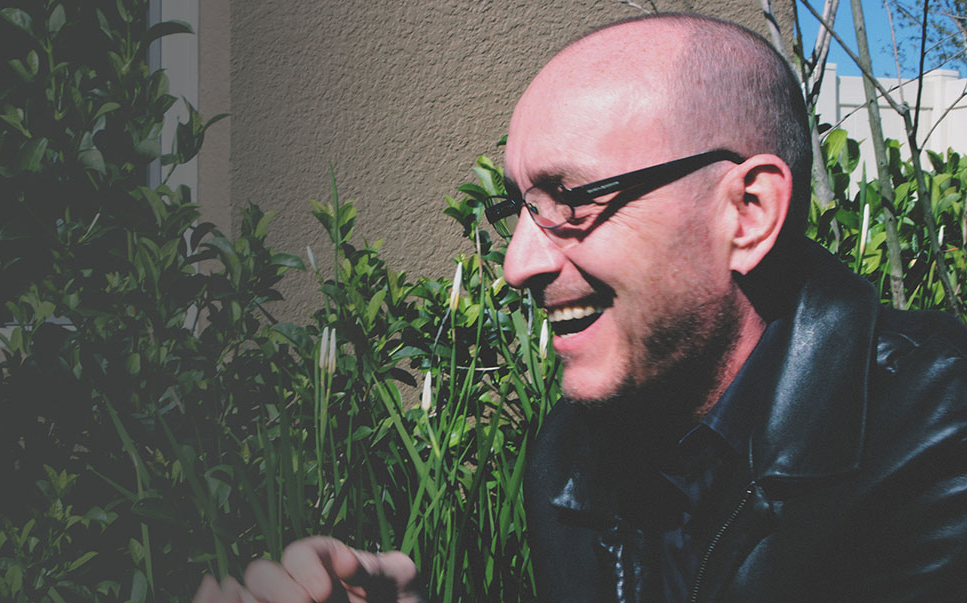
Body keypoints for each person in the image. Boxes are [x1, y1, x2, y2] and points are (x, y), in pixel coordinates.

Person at [196, 13, 967, 602]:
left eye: (572, 198)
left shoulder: (939, 432)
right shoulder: (573, 457)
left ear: (748, 211)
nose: (517, 266)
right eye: (520, 208)